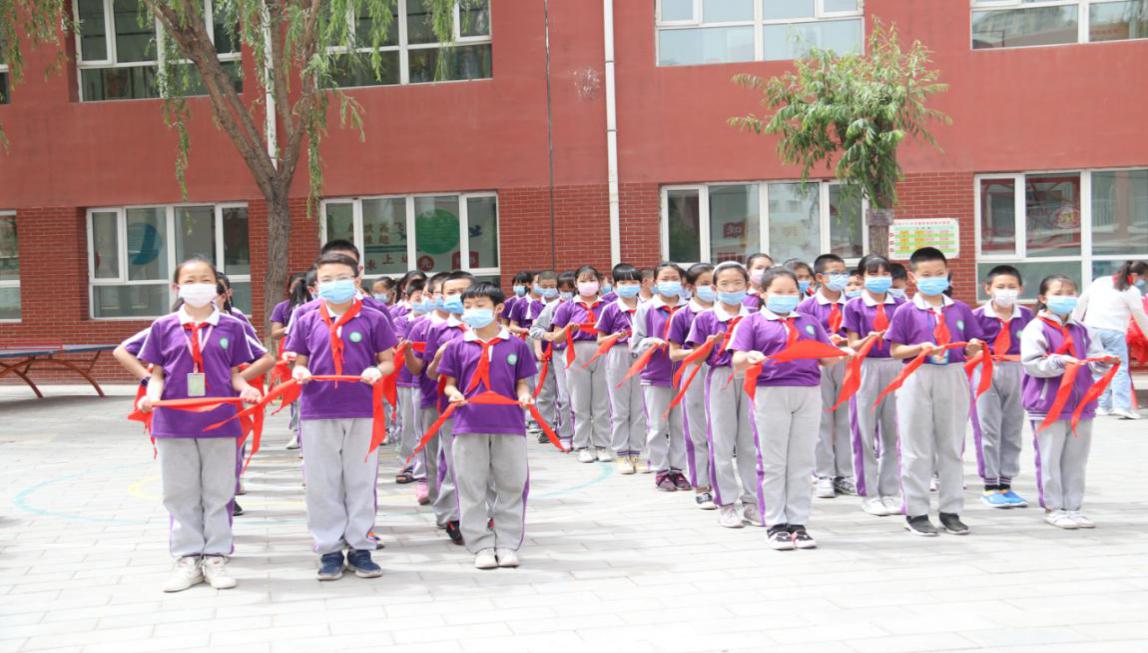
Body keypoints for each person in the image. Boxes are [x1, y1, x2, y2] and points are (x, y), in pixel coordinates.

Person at [132, 257, 272, 592]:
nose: (198, 286)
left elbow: (235, 374)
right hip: (173, 422)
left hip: (220, 421)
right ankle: (187, 558)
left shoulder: (231, 327)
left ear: (217, 286)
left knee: (219, 491)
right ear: (176, 287)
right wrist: (150, 396)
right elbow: (157, 375)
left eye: (205, 279)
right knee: (179, 492)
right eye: (190, 280)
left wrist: (247, 389)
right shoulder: (163, 327)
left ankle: (216, 557)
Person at [286, 252, 397, 580]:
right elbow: (299, 360)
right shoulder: (306, 317)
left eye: (342, 278)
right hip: (318, 409)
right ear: (316, 285)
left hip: (361, 408)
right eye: (327, 280)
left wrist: (377, 370)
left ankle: (361, 546)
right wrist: (299, 371)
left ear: (357, 279)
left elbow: (388, 360)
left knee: (360, 480)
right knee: (322, 482)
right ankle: (329, 549)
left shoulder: (374, 317)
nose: (334, 284)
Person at [730, 267, 842, 550]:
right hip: (770, 392)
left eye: (791, 291)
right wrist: (749, 357)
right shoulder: (752, 322)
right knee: (773, 461)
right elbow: (737, 360)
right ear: (763, 293)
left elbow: (827, 359)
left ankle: (798, 522)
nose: (786, 296)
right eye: (778, 292)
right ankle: (775, 523)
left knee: (802, 461)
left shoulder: (809, 321)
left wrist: (839, 352)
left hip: (808, 392)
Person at [886, 247, 985, 537]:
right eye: (926, 275)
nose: (934, 279)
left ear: (947, 273)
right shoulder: (905, 311)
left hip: (953, 374)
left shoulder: (960, 309)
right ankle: (916, 512)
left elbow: (974, 345)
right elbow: (895, 350)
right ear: (913, 277)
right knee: (916, 446)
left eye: (939, 274)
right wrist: (919, 348)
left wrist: (973, 348)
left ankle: (951, 510)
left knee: (951, 445)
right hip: (917, 374)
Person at [438, 283, 538, 569]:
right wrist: (454, 394)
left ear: (498, 309)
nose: (473, 311)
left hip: (509, 424)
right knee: (471, 486)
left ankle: (507, 543)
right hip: (469, 424)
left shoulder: (516, 345)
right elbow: (449, 384)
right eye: (468, 306)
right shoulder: (457, 345)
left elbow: (522, 382)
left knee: (511, 484)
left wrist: (524, 396)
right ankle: (480, 545)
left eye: (480, 305)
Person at [1021, 275, 1116, 529]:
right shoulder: (1036, 328)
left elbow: (1094, 359)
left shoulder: (1083, 329)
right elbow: (1032, 364)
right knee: (1049, 458)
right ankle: (1053, 507)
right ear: (1043, 298)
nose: (1065, 297)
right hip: (1048, 405)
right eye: (1058, 293)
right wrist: (1058, 362)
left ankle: (1073, 507)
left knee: (1076, 460)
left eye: (1071, 292)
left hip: (1081, 404)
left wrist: (1104, 362)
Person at [686, 261, 755, 528]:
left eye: (737, 283)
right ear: (714, 289)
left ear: (747, 286)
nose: (732, 289)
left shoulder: (755, 316)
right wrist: (708, 345)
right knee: (721, 442)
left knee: (749, 442)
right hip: (720, 377)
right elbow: (695, 357)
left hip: (750, 376)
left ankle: (752, 502)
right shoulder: (705, 318)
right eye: (725, 284)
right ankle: (726, 503)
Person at [843, 255, 905, 517]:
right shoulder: (854, 306)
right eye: (873, 273)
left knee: (894, 432)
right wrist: (868, 339)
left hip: (896, 366)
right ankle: (868, 493)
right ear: (861, 277)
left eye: (884, 273)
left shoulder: (901, 305)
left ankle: (890, 490)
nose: (880, 278)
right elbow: (852, 344)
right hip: (866, 366)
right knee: (864, 431)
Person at [972, 265, 1033, 508]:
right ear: (988, 289)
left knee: (1012, 428)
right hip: (986, 370)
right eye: (1000, 286)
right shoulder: (977, 316)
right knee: (988, 428)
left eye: (1011, 287)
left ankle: (1006, 483)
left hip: (1017, 370)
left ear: (1020, 289)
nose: (1006, 291)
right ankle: (990, 485)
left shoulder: (1027, 316)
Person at [422, 271, 476, 544]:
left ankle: (482, 514)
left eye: (462, 291)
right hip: (451, 406)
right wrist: (439, 359)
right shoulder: (439, 330)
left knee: (482, 464)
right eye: (451, 293)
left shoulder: (489, 327)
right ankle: (452, 515)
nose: (457, 297)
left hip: (487, 407)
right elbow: (430, 373)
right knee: (454, 461)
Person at [799, 253, 854, 499]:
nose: (841, 277)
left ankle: (845, 473)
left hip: (848, 363)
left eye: (844, 272)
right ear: (820, 277)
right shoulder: (807, 306)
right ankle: (823, 474)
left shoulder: (853, 303)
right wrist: (825, 341)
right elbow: (800, 336)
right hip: (820, 365)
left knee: (845, 419)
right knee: (822, 420)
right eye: (835, 273)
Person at [632, 262, 690, 492]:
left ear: (682, 281)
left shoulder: (688, 309)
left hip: (685, 375)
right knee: (657, 425)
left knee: (680, 426)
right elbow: (635, 343)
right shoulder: (646, 309)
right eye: (664, 278)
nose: (670, 282)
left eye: (674, 278)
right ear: (655, 282)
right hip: (655, 374)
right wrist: (650, 342)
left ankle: (678, 469)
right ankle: (660, 469)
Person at [551, 265, 612, 462]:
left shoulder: (608, 306)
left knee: (602, 402)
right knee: (579, 402)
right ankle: (582, 444)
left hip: (602, 351)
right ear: (575, 284)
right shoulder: (566, 307)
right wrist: (567, 329)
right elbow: (556, 338)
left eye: (592, 280)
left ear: (599, 283)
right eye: (583, 281)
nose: (588, 284)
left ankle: (601, 444)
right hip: (576, 352)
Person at [1073, 260, 1148, 419]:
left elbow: (1081, 303)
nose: (1142, 281)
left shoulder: (1100, 281)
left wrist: (1074, 325)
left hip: (1091, 330)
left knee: (1099, 367)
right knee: (1120, 368)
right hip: (1114, 332)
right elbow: (1140, 316)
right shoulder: (1131, 290)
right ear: (1135, 275)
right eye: (1143, 278)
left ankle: (1102, 405)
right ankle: (1122, 406)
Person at [668, 262, 716, 509]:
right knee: (697, 431)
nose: (710, 288)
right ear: (691, 287)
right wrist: (700, 350)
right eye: (704, 284)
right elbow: (673, 353)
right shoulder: (682, 315)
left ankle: (723, 483)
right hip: (695, 371)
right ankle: (701, 485)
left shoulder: (728, 312)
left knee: (722, 433)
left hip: (724, 372)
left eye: (713, 283)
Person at [403, 272, 450, 507]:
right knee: (430, 446)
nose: (451, 298)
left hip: (462, 399)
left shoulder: (471, 325)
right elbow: (416, 368)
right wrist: (408, 353)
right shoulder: (421, 326)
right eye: (445, 293)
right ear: (430, 295)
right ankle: (433, 491)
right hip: (429, 394)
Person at [594, 263, 647, 472]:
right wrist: (615, 336)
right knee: (620, 408)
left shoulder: (647, 307)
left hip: (642, 354)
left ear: (640, 284)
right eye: (623, 282)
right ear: (615, 285)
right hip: (618, 354)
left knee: (639, 408)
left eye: (633, 282)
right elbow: (600, 339)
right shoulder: (610, 309)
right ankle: (621, 454)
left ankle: (636, 453)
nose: (628, 286)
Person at [532, 271, 577, 447]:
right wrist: (550, 336)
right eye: (563, 290)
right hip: (560, 354)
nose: (567, 293)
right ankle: (562, 433)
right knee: (563, 396)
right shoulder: (553, 307)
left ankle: (586, 436)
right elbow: (535, 329)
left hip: (587, 354)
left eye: (570, 289)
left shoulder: (593, 305)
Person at [393, 279, 428, 485]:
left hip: (431, 379)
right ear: (408, 298)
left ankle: (427, 465)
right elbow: (400, 344)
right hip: (407, 378)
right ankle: (408, 462)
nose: (423, 301)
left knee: (426, 423)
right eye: (418, 298)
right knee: (409, 423)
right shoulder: (402, 321)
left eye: (427, 296)